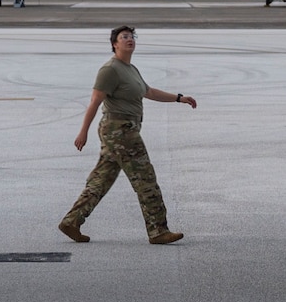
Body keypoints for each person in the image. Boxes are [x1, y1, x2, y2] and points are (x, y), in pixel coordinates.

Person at [60, 24, 195, 245]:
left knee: (101, 180)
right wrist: (83, 131)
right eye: (124, 37)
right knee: (145, 178)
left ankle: (71, 221)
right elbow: (95, 100)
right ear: (115, 44)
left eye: (132, 36)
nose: (129, 39)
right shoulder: (110, 70)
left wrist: (179, 98)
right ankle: (158, 230)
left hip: (122, 131)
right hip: (120, 131)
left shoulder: (130, 69)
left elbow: (148, 91)